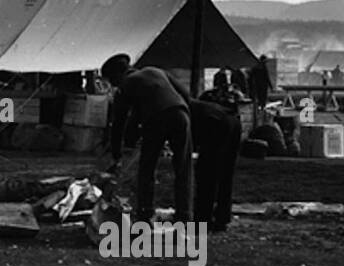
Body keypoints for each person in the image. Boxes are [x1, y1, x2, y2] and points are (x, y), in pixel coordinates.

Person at [100, 53, 192, 222]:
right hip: (181, 113)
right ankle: (184, 214)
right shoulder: (155, 71)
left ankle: (145, 213)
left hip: (156, 119)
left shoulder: (125, 85)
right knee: (183, 168)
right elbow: (185, 94)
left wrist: (116, 154)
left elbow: (119, 123)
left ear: (116, 75)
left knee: (147, 169)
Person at [189, 97, 242, 231]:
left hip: (215, 124)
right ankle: (222, 218)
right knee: (225, 173)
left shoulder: (172, 110)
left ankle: (203, 220)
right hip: (232, 120)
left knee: (206, 174)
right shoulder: (185, 101)